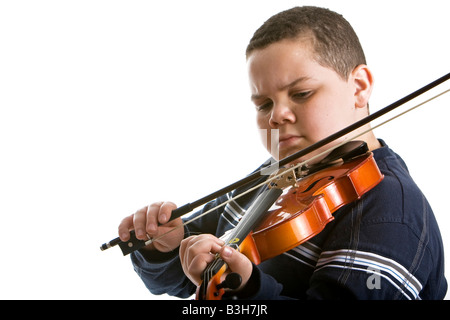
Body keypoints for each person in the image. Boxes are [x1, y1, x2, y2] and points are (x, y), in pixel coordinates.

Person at [117, 6, 447, 299]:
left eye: (301, 93)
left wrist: (248, 289)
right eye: (264, 104)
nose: (277, 116)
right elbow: (194, 283)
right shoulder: (274, 175)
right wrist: (170, 247)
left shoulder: (391, 212)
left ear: (359, 87)